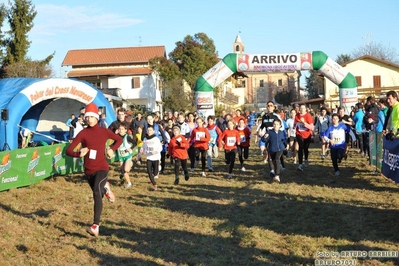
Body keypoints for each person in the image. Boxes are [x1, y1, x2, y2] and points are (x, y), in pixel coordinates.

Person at [66, 103, 123, 237]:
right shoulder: (83, 133)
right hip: (88, 170)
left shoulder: (104, 131)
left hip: (102, 168)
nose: (89, 119)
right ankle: (106, 188)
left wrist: (111, 149)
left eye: (92, 117)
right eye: (87, 117)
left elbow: (119, 140)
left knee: (96, 192)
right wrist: (78, 153)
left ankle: (95, 225)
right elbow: (68, 150)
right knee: (99, 191)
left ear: (97, 118)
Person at [140, 125, 163, 191]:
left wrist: (155, 152)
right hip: (149, 157)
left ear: (153, 131)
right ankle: (154, 184)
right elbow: (143, 146)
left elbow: (160, 148)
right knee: (149, 172)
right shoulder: (145, 139)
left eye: (150, 130)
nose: (149, 131)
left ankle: (158, 167)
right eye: (148, 130)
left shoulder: (156, 139)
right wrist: (142, 149)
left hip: (156, 157)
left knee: (155, 173)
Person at [116, 122, 137, 189]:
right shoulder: (117, 137)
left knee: (126, 169)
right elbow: (114, 144)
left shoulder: (127, 137)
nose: (120, 130)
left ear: (125, 130)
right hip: (121, 156)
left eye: (122, 129)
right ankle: (129, 183)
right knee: (123, 171)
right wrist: (110, 147)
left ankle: (131, 163)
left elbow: (135, 143)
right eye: (119, 129)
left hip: (127, 155)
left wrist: (130, 148)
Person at [294, 104, 314, 171]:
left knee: (305, 148)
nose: (301, 109)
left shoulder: (308, 116)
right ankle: (300, 164)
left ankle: (306, 159)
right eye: (300, 108)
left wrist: (304, 123)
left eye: (303, 108)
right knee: (301, 147)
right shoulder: (297, 115)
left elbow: (312, 127)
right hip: (299, 133)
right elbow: (295, 123)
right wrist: (294, 126)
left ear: (306, 109)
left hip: (307, 134)